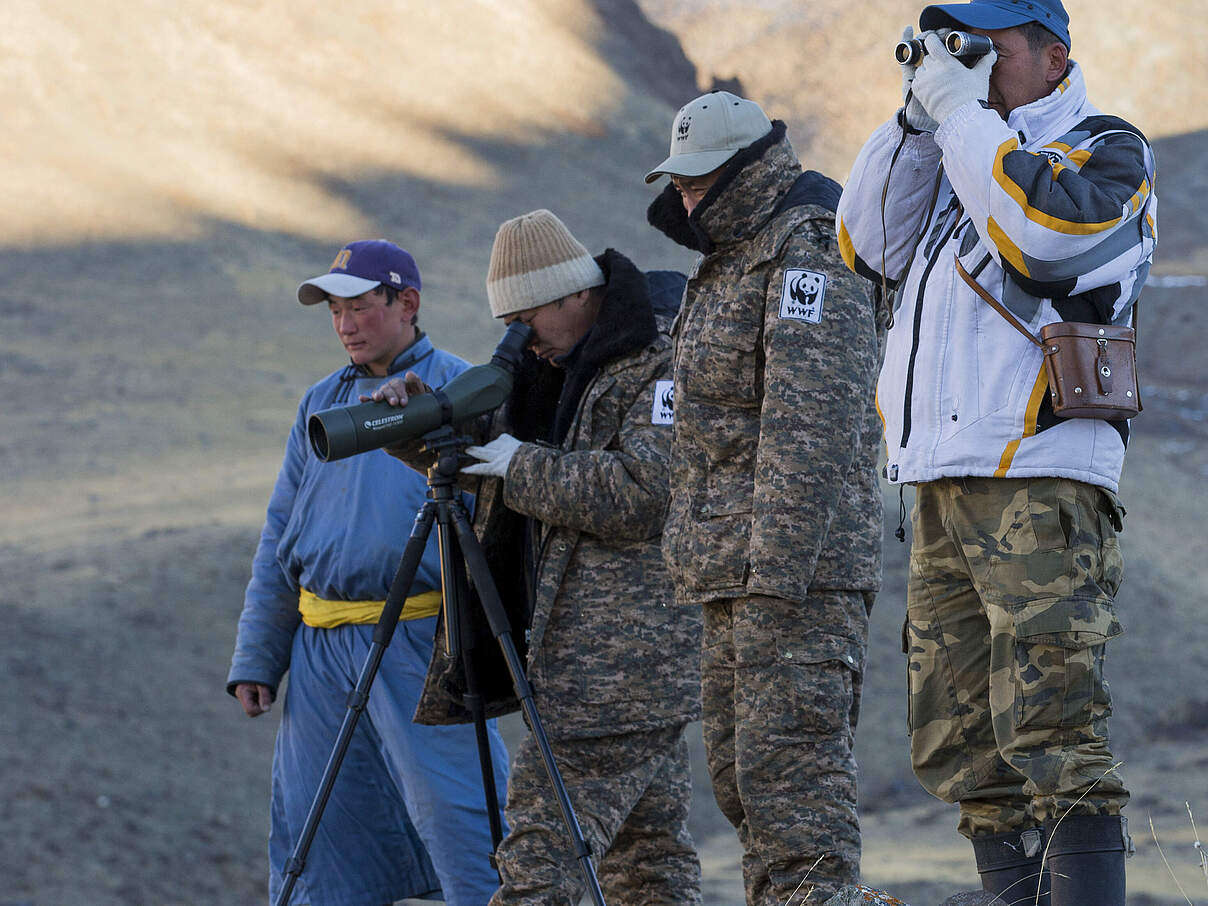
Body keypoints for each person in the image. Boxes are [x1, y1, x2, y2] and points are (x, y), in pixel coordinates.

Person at [836, 1, 1156, 903]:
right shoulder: (960, 155)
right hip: (940, 474)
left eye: (988, 48)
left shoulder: (1106, 149)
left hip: (1042, 472)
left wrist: (964, 117)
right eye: (951, 50)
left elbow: (1050, 243)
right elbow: (867, 243)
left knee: (1052, 723)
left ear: (1053, 56)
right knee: (963, 737)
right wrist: (915, 114)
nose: (967, 66)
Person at [369, 209, 703, 906]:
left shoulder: (662, 358)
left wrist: (523, 466)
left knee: (538, 866)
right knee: (648, 867)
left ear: (572, 295)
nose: (518, 337)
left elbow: (647, 492)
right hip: (580, 662)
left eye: (526, 318)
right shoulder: (540, 363)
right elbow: (479, 460)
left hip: (622, 666)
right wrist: (417, 419)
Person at [644, 91, 885, 904]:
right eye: (676, 183)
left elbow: (808, 429)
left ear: (745, 169)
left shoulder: (810, 251)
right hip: (729, 575)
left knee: (795, 793)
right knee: (747, 788)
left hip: (792, 581)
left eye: (697, 180)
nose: (683, 197)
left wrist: (775, 581)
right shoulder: (731, 256)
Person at [226, 239, 509, 906]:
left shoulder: (459, 388)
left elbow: (495, 520)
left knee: (462, 816)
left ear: (405, 302)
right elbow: (281, 534)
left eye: (358, 306)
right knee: (318, 829)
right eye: (333, 310)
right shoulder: (319, 404)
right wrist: (257, 657)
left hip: (419, 641)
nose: (345, 324)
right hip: (320, 649)